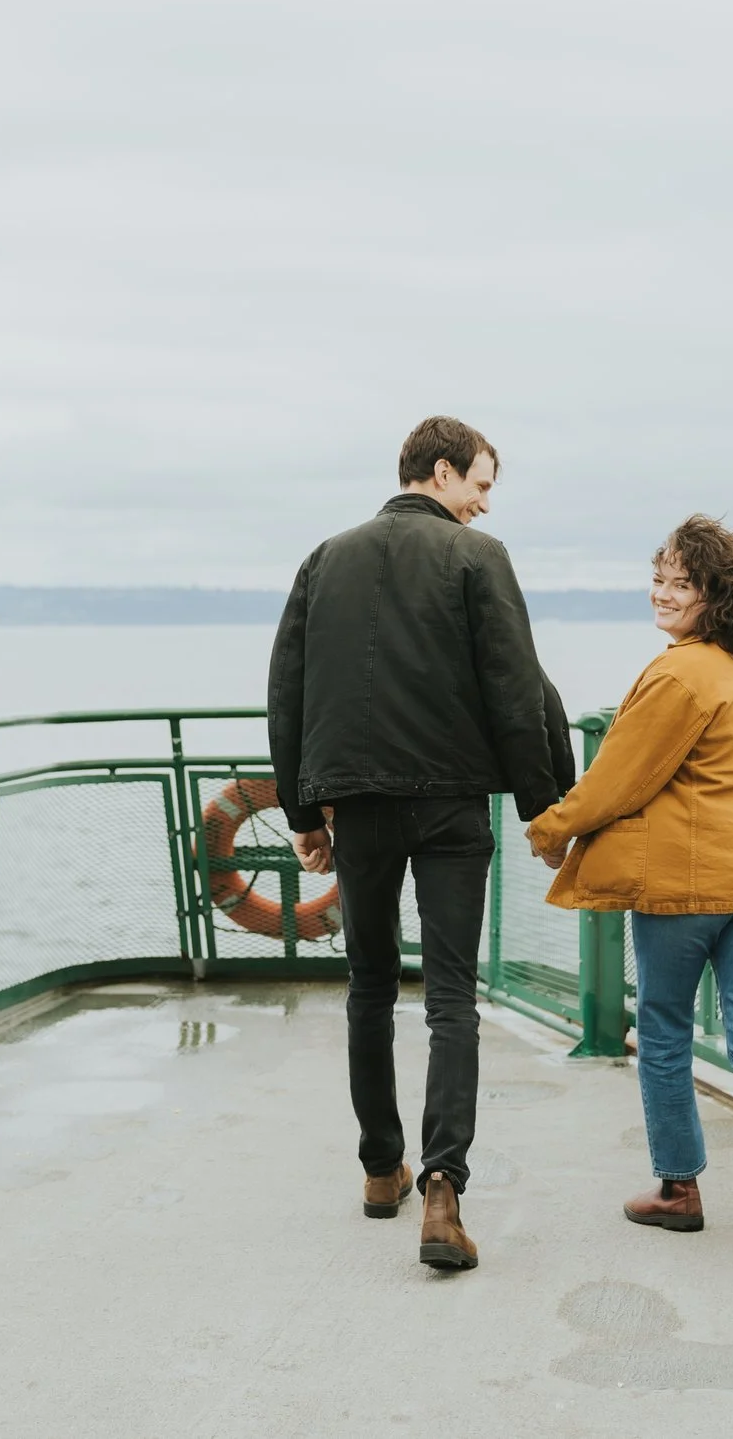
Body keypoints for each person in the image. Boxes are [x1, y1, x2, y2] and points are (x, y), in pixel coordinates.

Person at [266, 415, 572, 1272]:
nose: (482, 501)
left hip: (356, 804)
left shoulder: (325, 558)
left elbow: (286, 691)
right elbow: (517, 688)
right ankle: (442, 1187)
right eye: (480, 482)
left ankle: (378, 1167)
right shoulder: (480, 558)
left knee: (367, 984)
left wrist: (301, 811)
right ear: (441, 471)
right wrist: (543, 807)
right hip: (449, 805)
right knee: (450, 997)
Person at [521, 515, 733, 1274]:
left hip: (690, 887)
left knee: (665, 1029)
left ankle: (679, 1188)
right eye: (659, 578)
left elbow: (621, 776)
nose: (662, 593)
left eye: (681, 583)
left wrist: (551, 830)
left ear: (714, 596)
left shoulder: (678, 672)